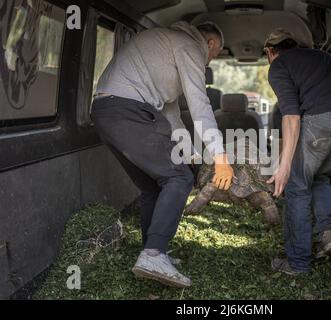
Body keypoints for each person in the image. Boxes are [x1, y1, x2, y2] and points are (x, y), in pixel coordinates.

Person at [90, 21, 234, 288]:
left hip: (106, 111)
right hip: (128, 111)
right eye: (214, 55)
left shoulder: (166, 45)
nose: (209, 62)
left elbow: (170, 114)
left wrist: (189, 152)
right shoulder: (190, 46)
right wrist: (221, 158)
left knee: (152, 187)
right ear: (211, 44)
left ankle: (153, 253)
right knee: (179, 178)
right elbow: (200, 106)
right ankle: (154, 254)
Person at [264, 28, 331, 275]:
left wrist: (284, 166)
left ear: (270, 52)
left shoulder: (278, 67)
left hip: (323, 121)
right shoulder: (323, 57)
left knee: (296, 186)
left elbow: (291, 117)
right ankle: (328, 236)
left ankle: (298, 263)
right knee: (319, 176)